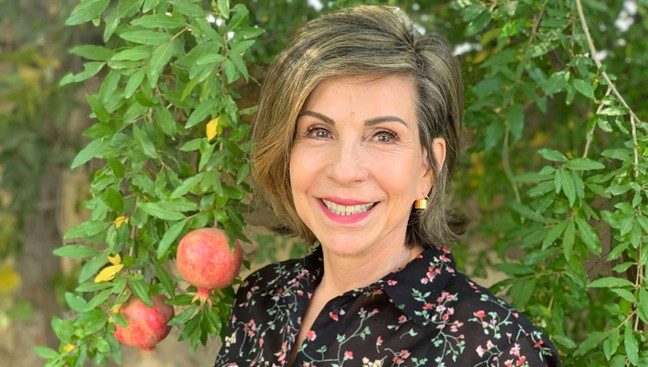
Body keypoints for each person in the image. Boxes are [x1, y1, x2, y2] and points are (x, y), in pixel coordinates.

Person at [215, 5, 561, 367]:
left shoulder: (499, 349)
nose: (345, 170)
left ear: (428, 165)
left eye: (383, 136)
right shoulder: (263, 298)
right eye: (319, 131)